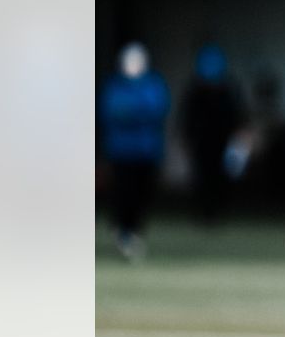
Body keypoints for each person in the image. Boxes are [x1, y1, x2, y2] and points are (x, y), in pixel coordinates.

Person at [99, 41, 171, 261]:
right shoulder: (114, 86)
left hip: (147, 151)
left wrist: (131, 111)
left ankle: (135, 232)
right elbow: (110, 111)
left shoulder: (153, 84)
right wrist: (136, 111)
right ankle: (123, 230)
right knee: (123, 192)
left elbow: (158, 109)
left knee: (143, 193)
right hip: (121, 151)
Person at [179, 43, 248, 224]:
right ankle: (204, 212)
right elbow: (187, 117)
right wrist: (187, 137)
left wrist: (239, 137)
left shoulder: (229, 89)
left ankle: (218, 212)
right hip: (201, 141)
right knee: (202, 177)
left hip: (222, 141)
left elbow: (239, 115)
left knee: (220, 177)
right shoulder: (195, 90)